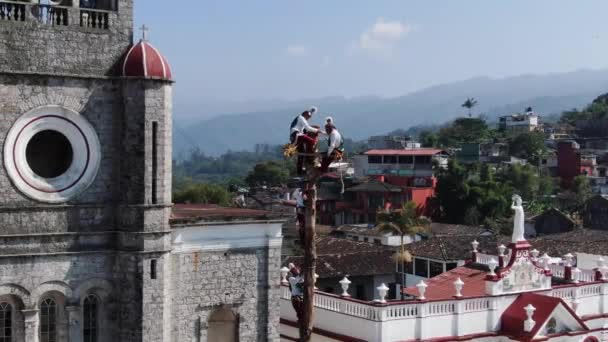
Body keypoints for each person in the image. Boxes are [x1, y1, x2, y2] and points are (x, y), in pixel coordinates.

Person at [290, 107, 321, 175]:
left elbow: (305, 130)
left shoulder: (300, 121)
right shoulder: (301, 118)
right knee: (312, 142)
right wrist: (319, 131)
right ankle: (310, 158)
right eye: (308, 116)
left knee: (301, 154)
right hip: (297, 135)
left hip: (294, 137)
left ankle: (300, 171)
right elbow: (308, 128)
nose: (309, 118)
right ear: (305, 114)